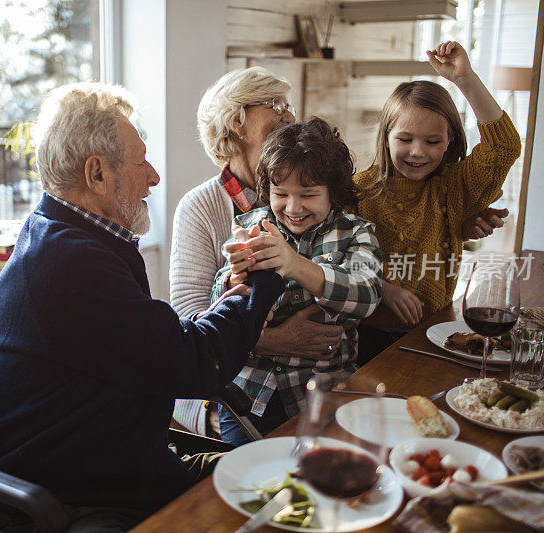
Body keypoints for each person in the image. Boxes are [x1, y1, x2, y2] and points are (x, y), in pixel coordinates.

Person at [0, 82, 285, 532]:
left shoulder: (67, 237)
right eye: (141, 162)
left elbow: (153, 342)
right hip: (84, 497)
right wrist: (264, 278)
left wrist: (224, 306)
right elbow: (197, 365)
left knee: (281, 478)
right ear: (97, 174)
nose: (154, 177)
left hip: (130, 462)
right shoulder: (70, 262)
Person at [169, 67, 346, 436]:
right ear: (237, 121)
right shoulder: (200, 206)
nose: (289, 115)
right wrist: (278, 341)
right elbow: (189, 320)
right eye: (275, 104)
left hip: (309, 380)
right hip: (229, 393)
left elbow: (348, 253)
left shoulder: (298, 192)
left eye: (288, 104)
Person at [211, 118, 383, 445]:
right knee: (246, 478)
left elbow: (368, 295)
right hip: (250, 394)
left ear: (333, 192)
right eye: (280, 193)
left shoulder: (355, 231)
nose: (292, 207)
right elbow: (218, 306)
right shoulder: (250, 225)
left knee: (321, 479)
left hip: (325, 392)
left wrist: (295, 265)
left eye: (308, 194)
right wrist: (235, 276)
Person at [354, 41, 522, 363]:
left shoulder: (454, 185)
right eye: (405, 139)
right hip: (365, 335)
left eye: (432, 141)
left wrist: (466, 79)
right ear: (386, 137)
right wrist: (384, 288)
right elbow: (337, 261)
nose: (418, 152)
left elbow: (504, 147)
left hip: (436, 330)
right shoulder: (359, 191)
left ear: (450, 143)